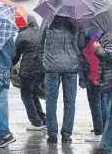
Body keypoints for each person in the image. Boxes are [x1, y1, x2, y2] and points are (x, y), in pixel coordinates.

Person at [42, 15, 78, 144]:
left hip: (51, 66)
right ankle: (67, 134)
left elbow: (40, 41)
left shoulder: (48, 19)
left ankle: (52, 134)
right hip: (71, 66)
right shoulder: (75, 21)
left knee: (51, 100)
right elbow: (82, 43)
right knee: (70, 101)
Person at [12, 14, 46, 130]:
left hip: (28, 69)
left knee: (26, 95)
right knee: (34, 93)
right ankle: (42, 118)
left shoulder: (22, 35)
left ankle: (36, 122)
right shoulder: (42, 33)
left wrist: (10, 66)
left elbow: (16, 55)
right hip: (43, 68)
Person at [78, 28, 109, 142]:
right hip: (104, 73)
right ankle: (104, 128)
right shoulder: (104, 31)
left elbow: (93, 58)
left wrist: (94, 76)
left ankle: (99, 131)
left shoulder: (93, 35)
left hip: (94, 74)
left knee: (95, 102)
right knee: (103, 100)